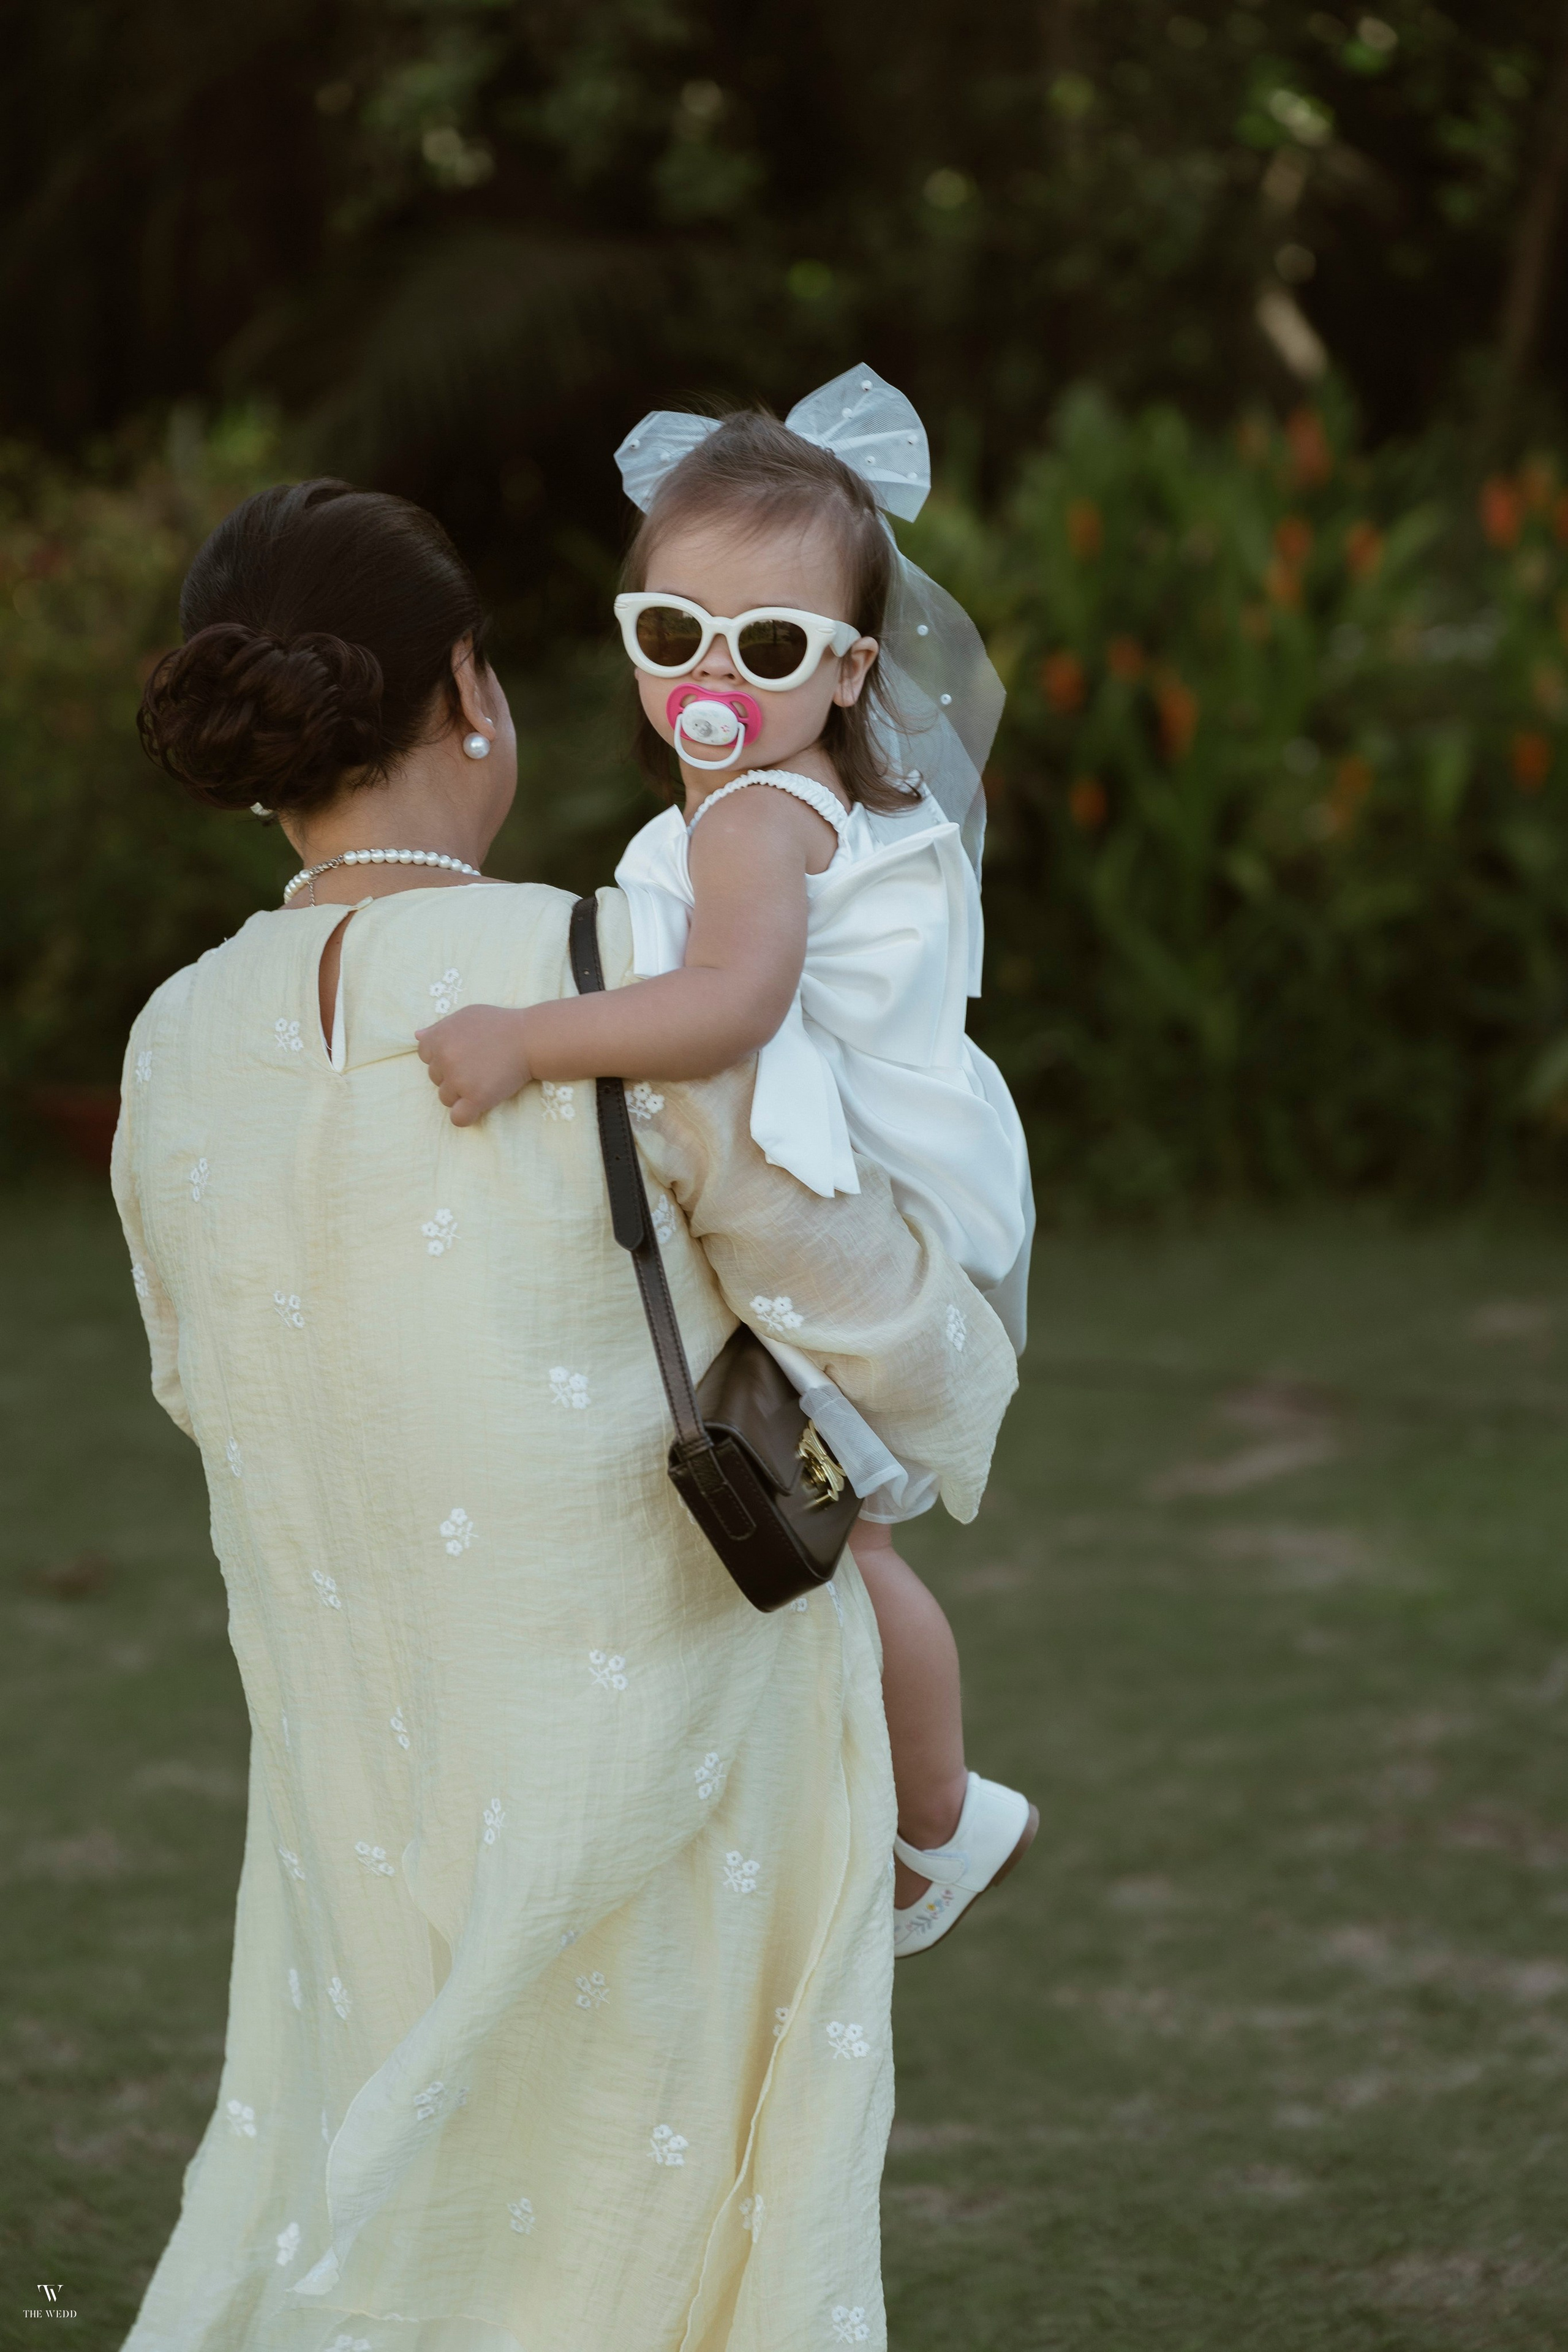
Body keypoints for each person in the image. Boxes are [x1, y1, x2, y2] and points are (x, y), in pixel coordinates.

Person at [113, 473, 1019, 2350]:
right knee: (652, 2220)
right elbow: (854, 1306)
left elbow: (199, 1376)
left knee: (400, 2195)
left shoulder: (176, 1033)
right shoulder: (598, 968)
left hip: (363, 1745)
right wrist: (961, 1345)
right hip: (671, 1731)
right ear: (475, 693)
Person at [414, 366, 1038, 1952]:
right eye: (669, 635)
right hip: (879, 1191)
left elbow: (731, 1004)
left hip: (853, 1218)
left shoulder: (756, 823)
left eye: (765, 647)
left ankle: (942, 1821)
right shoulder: (789, 800)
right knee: (841, 1533)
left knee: (848, 1538)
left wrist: (526, 1041)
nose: (711, 676)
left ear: (845, 672)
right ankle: (911, 1812)